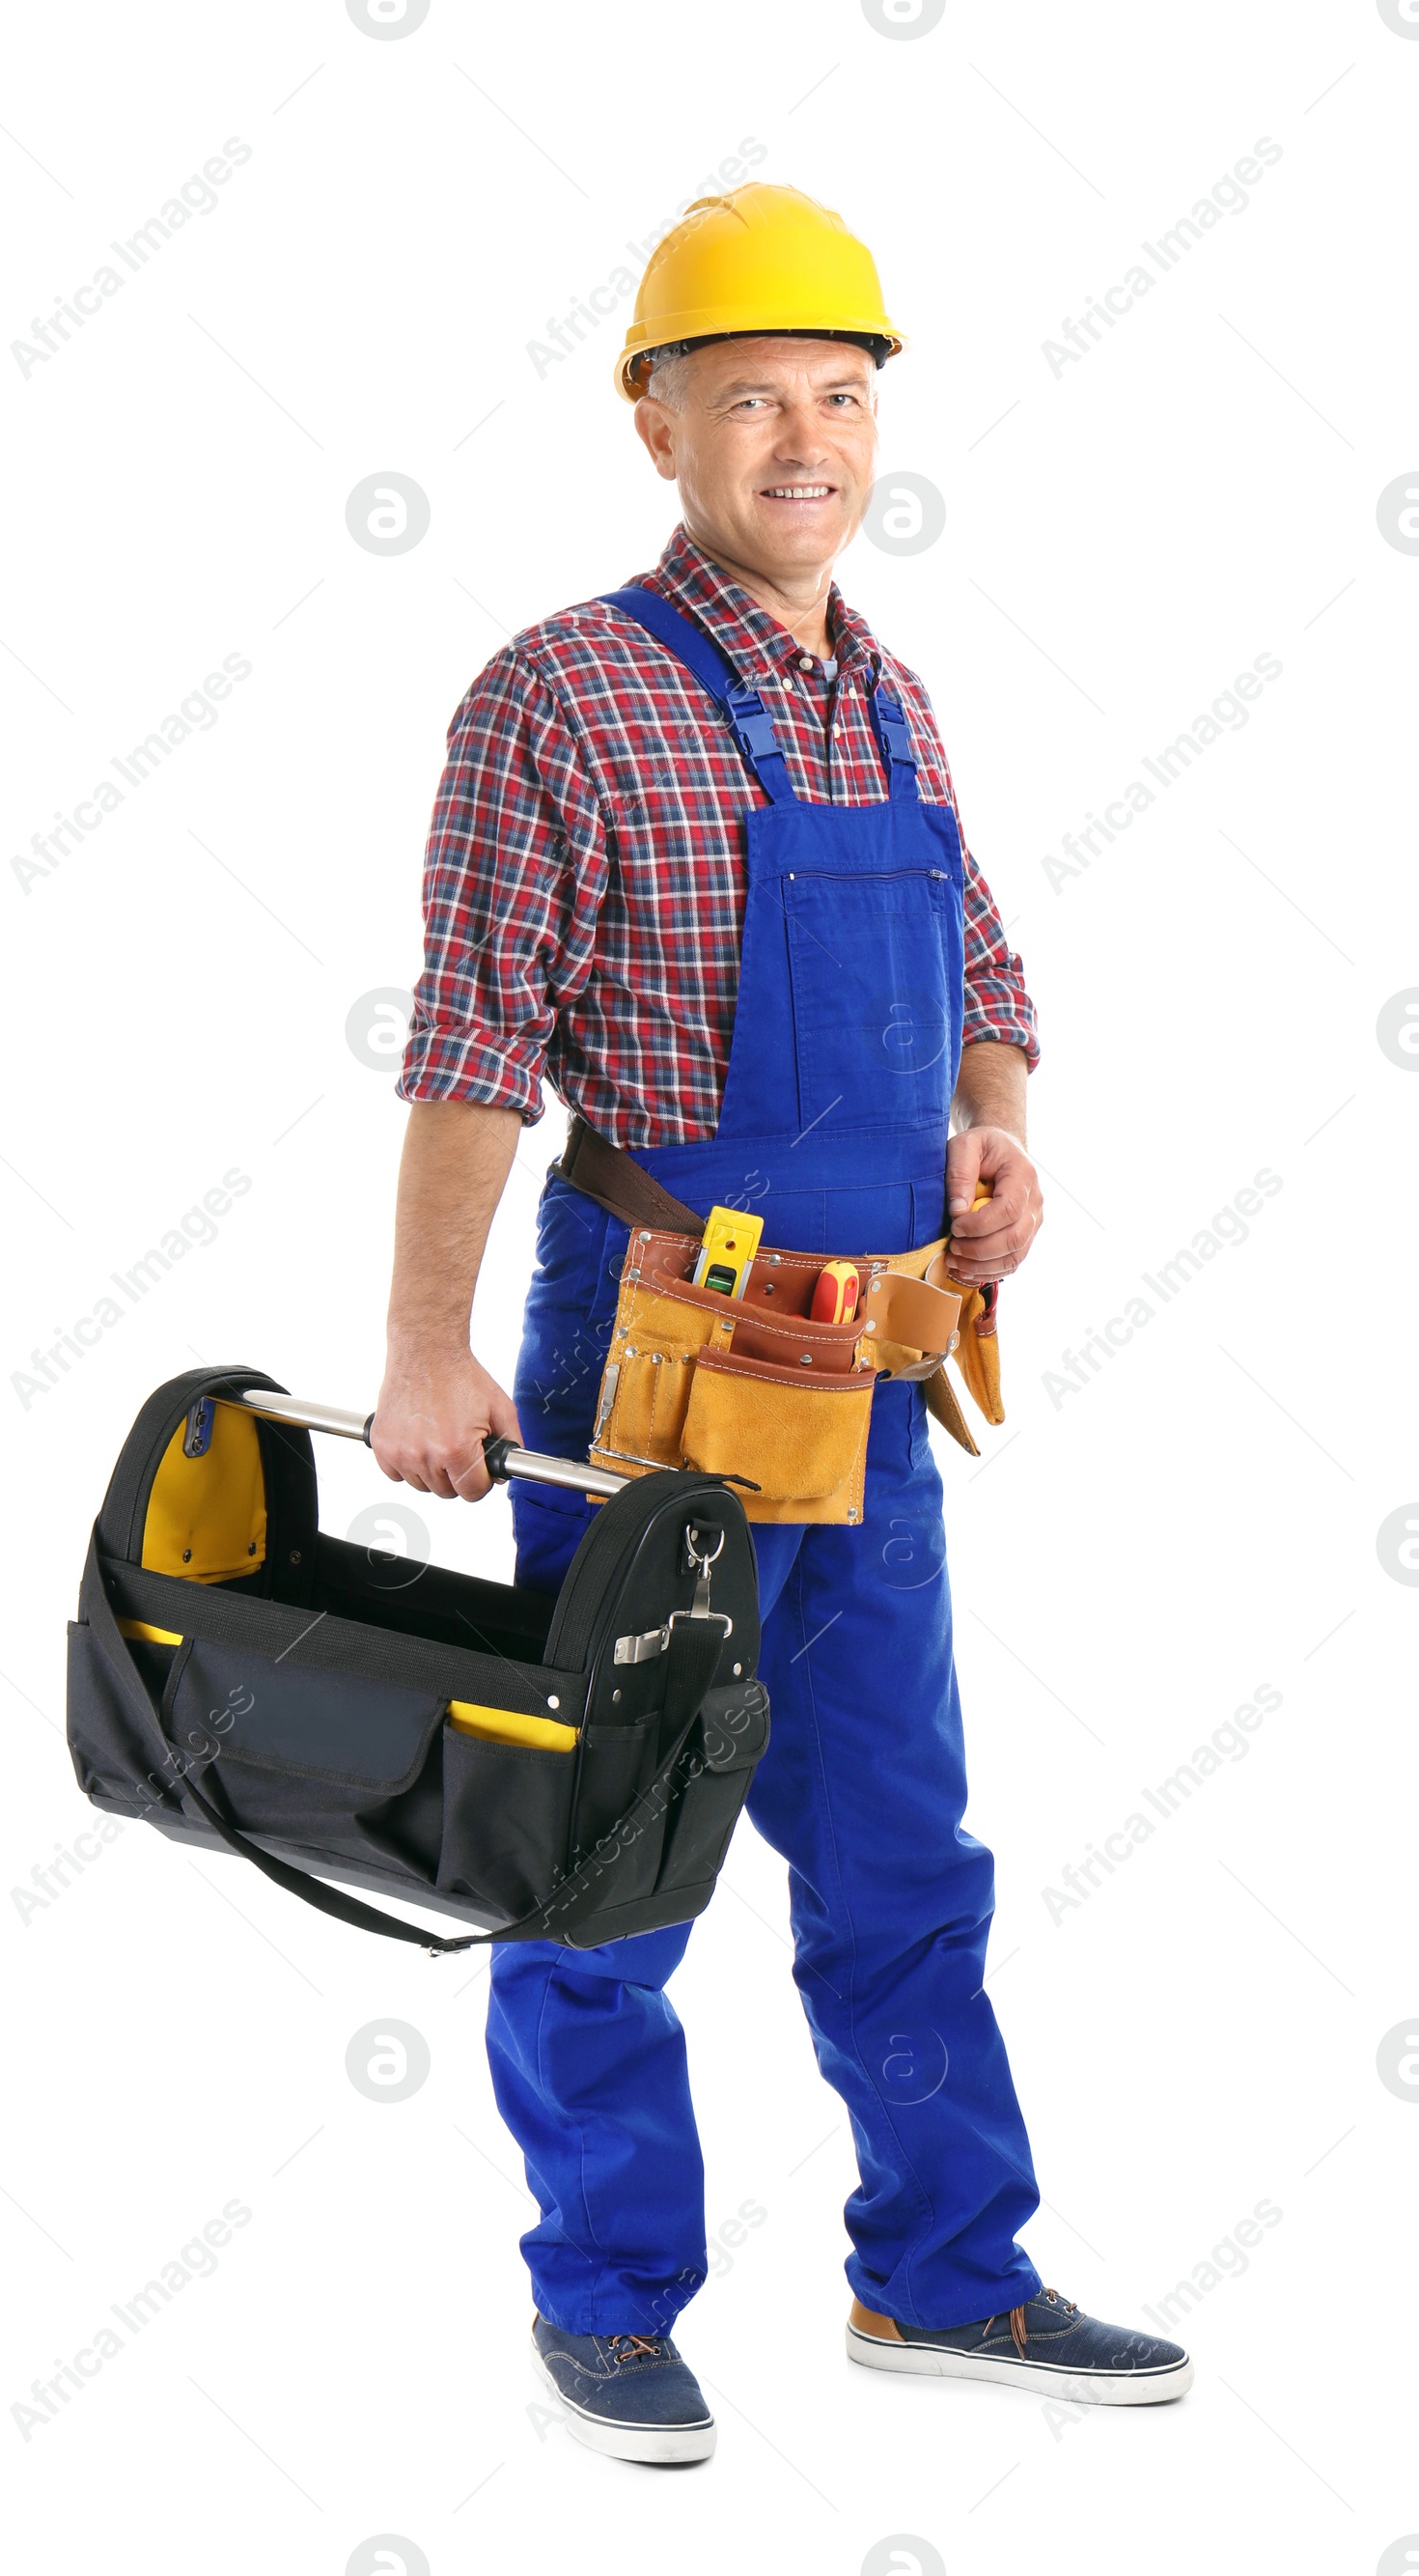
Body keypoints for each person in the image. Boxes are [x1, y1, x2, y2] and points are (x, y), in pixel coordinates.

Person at [373, 182, 1191, 2465]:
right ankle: (608, 2293)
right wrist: (425, 1340)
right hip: (642, 1361)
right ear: (656, 427)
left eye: (837, 397)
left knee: (899, 1847)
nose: (803, 439)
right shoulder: (556, 690)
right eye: (748, 398)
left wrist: (991, 1126)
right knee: (607, 1845)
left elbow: (989, 980)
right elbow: (463, 1041)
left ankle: (939, 2274)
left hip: (867, 1379)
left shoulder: (891, 696)